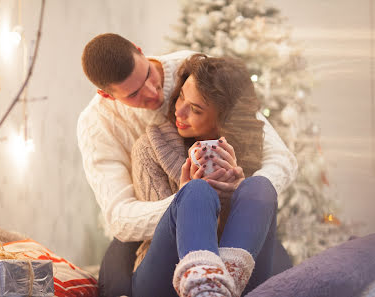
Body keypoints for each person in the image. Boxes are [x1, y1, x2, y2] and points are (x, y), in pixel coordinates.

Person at [77, 33, 297, 296]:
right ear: (106, 95)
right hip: (154, 237)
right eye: (134, 94)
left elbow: (280, 159)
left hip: (232, 236)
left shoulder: (195, 72)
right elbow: (120, 218)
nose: (152, 92)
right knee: (196, 193)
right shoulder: (99, 126)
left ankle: (218, 284)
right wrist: (186, 205)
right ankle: (208, 280)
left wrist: (238, 191)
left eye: (148, 74)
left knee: (258, 187)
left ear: (140, 50)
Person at [130, 54, 281, 297]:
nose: (179, 111)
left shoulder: (239, 150)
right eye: (181, 96)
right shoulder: (149, 148)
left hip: (235, 276)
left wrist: (234, 197)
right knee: (196, 191)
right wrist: (181, 201)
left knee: (259, 187)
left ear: (224, 120)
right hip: (162, 276)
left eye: (196, 109)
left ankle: (213, 290)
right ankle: (207, 286)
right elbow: (154, 233)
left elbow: (252, 236)